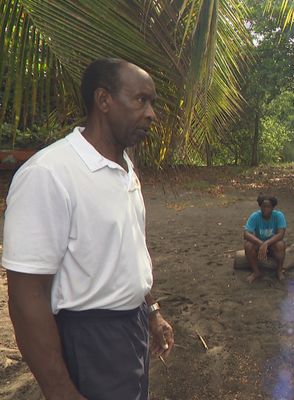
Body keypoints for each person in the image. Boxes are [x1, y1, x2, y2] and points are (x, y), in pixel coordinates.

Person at [3, 58, 174, 400]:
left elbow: (125, 252)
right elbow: (26, 296)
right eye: (141, 99)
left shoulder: (124, 168)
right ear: (104, 100)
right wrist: (60, 390)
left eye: (151, 102)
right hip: (89, 340)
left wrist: (151, 311)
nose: (151, 113)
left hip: (132, 329)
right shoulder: (50, 174)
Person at [244, 194, 287, 283]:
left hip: (273, 244)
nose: (265, 209)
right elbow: (246, 234)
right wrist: (261, 244)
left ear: (273, 207)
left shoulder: (279, 216)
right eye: (263, 206)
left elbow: (281, 234)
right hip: (259, 244)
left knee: (280, 245)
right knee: (248, 245)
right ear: (260, 206)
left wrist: (266, 243)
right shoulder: (255, 216)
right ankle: (256, 272)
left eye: (269, 207)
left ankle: (279, 271)